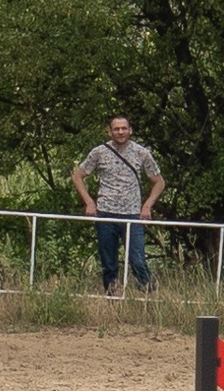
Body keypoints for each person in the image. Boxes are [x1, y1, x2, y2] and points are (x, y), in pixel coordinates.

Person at [70, 115, 165, 295]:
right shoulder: (99, 152)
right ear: (109, 131)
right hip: (105, 214)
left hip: (132, 215)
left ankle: (150, 294)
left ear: (130, 130)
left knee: (137, 260)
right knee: (109, 263)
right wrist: (89, 202)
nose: (120, 132)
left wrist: (147, 206)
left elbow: (159, 182)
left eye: (123, 128)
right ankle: (112, 299)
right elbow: (78, 176)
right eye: (116, 129)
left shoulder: (141, 153)